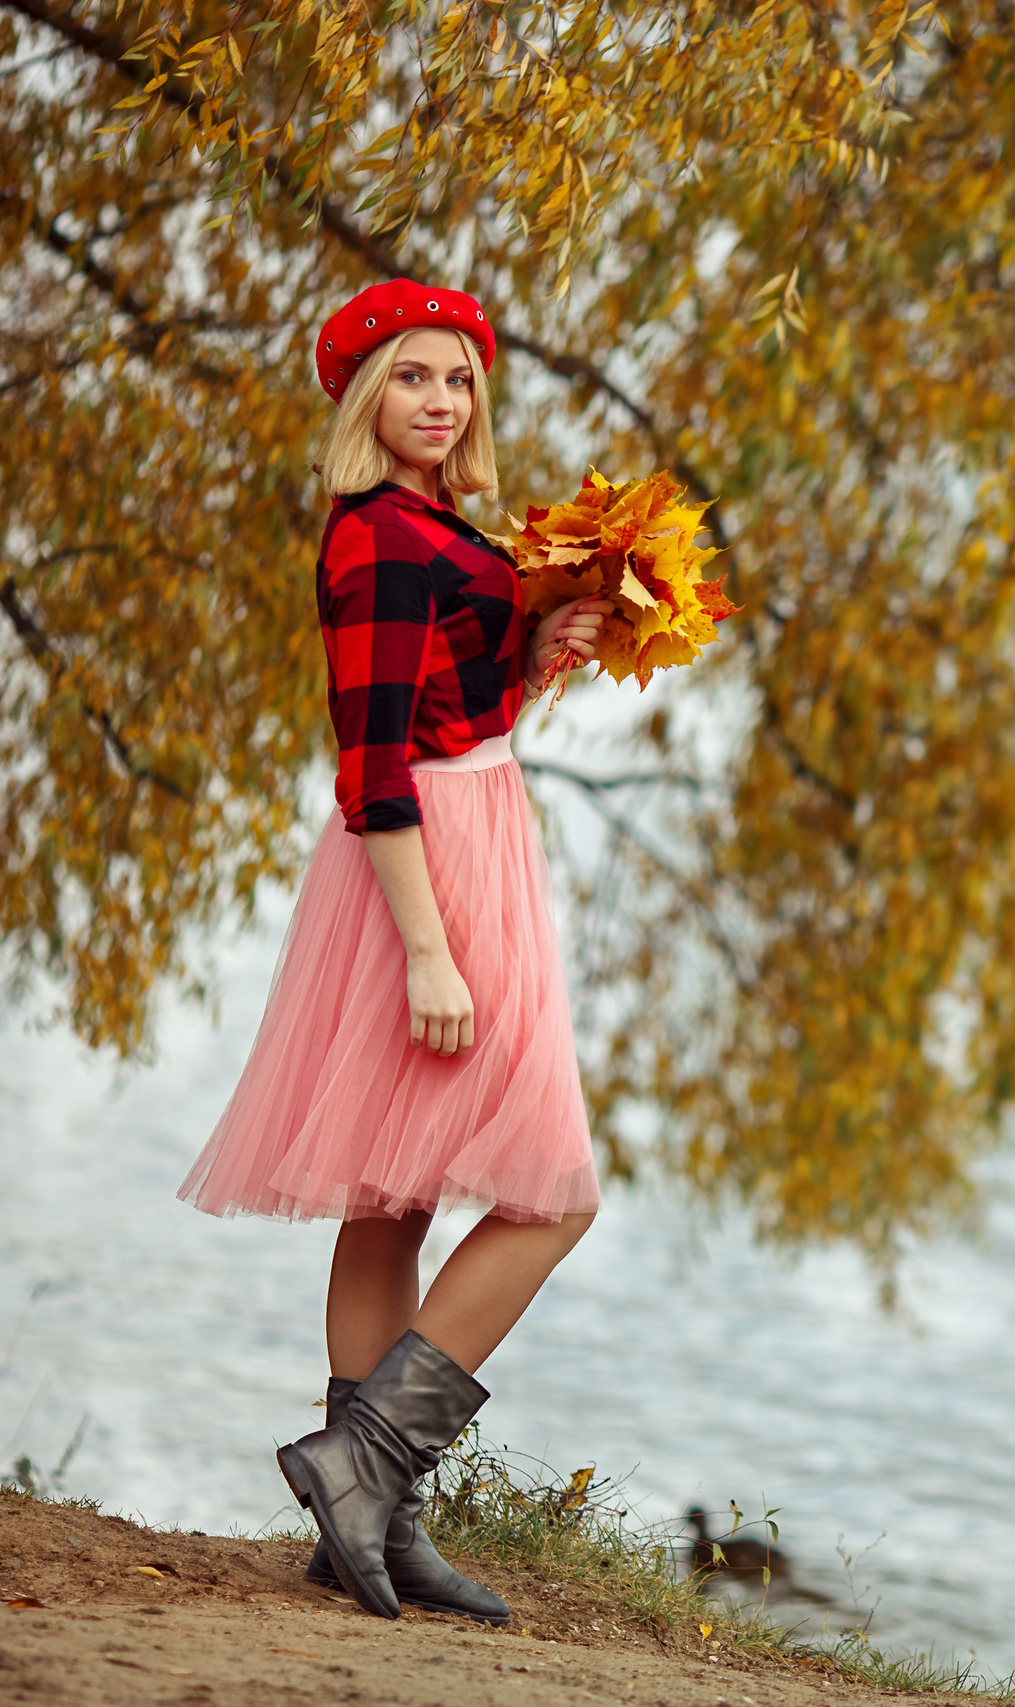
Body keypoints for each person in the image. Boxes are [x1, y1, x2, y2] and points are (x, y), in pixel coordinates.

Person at [177, 279, 612, 1625]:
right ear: (367, 399)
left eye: (461, 380)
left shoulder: (438, 528)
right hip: (422, 868)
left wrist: (541, 651)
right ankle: (365, 1465)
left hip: (471, 831)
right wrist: (429, 952)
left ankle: (364, 1521)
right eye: (413, 378)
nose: (441, 400)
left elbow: (458, 704)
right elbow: (370, 756)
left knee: (397, 1201)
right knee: (556, 1197)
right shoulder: (375, 538)